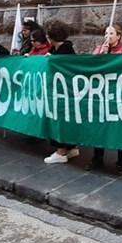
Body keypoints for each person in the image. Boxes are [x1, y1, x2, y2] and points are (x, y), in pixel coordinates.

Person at [83, 25, 122, 174]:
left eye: (111, 33)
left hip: (118, 96)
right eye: (105, 33)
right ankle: (98, 157)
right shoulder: (99, 50)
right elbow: (90, 67)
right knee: (99, 126)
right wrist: (101, 56)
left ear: (119, 36)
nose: (107, 36)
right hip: (101, 95)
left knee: (120, 127)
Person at [42, 21, 79, 164]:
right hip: (68, 93)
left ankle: (61, 151)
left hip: (60, 94)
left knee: (58, 120)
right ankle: (72, 147)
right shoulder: (63, 50)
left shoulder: (59, 55)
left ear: (50, 37)